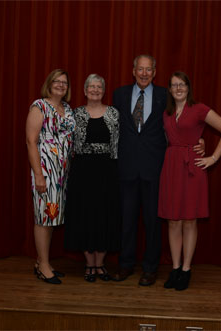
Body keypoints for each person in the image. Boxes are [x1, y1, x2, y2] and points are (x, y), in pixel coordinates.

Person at [111, 55, 204, 286]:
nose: (144, 73)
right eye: (140, 69)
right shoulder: (119, 95)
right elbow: (113, 129)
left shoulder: (166, 95)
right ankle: (125, 265)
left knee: (153, 222)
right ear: (133, 71)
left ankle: (150, 268)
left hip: (157, 169)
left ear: (154, 72)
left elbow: (182, 123)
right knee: (127, 220)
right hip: (127, 167)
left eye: (148, 70)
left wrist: (199, 142)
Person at [159, 71, 221, 291]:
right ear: (170, 90)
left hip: (192, 167)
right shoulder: (167, 112)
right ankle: (175, 267)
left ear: (188, 88)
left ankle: (186, 270)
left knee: (190, 219)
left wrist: (213, 157)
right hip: (171, 165)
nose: (178, 88)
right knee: (173, 220)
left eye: (182, 84)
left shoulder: (199, 108)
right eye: (174, 85)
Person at [64, 74, 120, 282]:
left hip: (107, 169)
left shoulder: (114, 113)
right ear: (85, 90)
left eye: (99, 87)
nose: (95, 90)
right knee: (85, 214)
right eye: (91, 87)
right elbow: (66, 141)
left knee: (105, 214)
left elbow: (120, 142)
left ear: (103, 91)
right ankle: (89, 263)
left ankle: (100, 263)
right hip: (83, 170)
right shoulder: (75, 114)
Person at [25, 69, 75, 284]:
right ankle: (43, 265)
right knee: (44, 219)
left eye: (64, 82)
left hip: (63, 174)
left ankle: (42, 261)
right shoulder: (40, 106)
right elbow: (30, 141)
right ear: (49, 83)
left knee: (51, 216)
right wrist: (38, 175)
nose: (60, 85)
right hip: (46, 171)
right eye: (56, 81)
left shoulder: (67, 108)